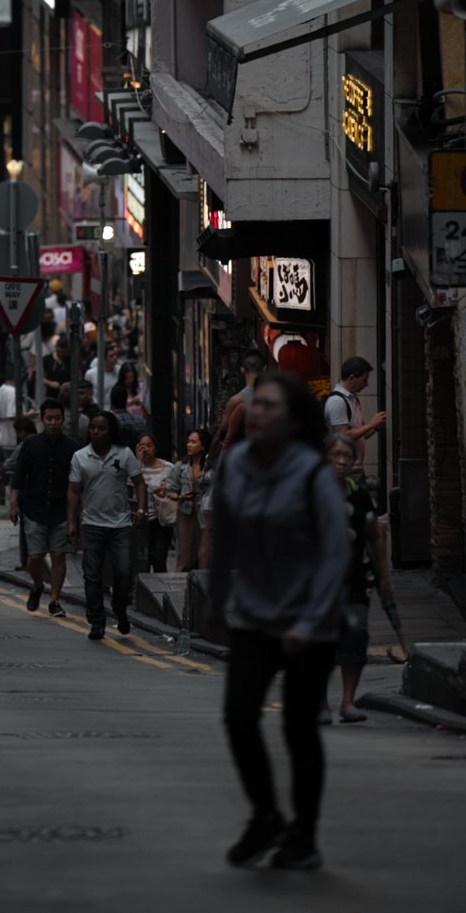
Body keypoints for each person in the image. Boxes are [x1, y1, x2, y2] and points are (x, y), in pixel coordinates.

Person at [210, 371, 350, 873]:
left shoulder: (312, 474)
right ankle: (266, 815)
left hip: (309, 619)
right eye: (255, 405)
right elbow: (223, 535)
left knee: (298, 729)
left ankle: (304, 837)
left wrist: (310, 621)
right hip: (254, 613)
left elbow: (336, 554)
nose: (257, 412)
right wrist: (215, 603)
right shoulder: (238, 464)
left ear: (291, 422)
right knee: (239, 716)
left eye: (270, 406)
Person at [322, 433, 407, 723]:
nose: (344, 461)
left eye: (348, 456)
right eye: (337, 455)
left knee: (356, 636)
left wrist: (385, 577)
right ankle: (321, 705)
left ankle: (347, 702)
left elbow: (376, 538)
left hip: (357, 578)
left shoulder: (359, 496)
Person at [67, 406, 146, 641]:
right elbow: (73, 491)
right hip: (92, 524)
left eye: (101, 428)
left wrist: (141, 508)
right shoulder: (80, 457)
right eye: (93, 428)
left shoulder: (124, 454)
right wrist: (72, 523)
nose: (96, 432)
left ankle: (121, 610)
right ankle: (97, 621)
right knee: (92, 575)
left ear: (111, 431)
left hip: (120, 524)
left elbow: (139, 483)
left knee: (123, 572)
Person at [10, 399, 75, 616]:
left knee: (58, 555)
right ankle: (38, 585)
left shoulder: (72, 448)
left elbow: (76, 485)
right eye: (49, 418)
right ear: (42, 420)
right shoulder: (30, 445)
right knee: (35, 556)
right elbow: (19, 476)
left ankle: (55, 600)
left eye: (57, 418)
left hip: (60, 510)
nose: (53, 423)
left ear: (63, 420)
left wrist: (76, 516)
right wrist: (13, 504)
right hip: (34, 508)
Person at [324, 356, 385, 472]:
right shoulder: (337, 401)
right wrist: (371, 424)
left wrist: (376, 426)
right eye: (364, 380)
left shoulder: (353, 400)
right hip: (344, 469)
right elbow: (342, 436)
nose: (366, 384)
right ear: (352, 378)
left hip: (355, 468)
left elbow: (361, 433)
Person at [167, 428, 213, 572]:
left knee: (204, 553)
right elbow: (171, 490)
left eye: (193, 442)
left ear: (203, 445)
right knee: (185, 554)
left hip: (205, 512)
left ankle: (202, 585)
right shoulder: (181, 466)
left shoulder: (211, 466)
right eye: (188, 442)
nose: (189, 445)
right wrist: (180, 497)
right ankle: (182, 584)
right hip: (186, 512)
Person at [213, 349, 266, 455]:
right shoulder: (276, 399)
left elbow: (220, 434)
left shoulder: (236, 401)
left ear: (242, 370)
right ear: (264, 369)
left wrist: (209, 462)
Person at [136, 433, 177, 572]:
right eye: (142, 446)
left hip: (162, 519)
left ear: (155, 448)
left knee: (159, 558)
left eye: (149, 445)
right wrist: (138, 462)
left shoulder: (168, 467)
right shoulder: (135, 467)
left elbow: (177, 488)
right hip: (142, 518)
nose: (146, 449)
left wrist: (167, 488)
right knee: (142, 560)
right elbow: (130, 487)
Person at [85, 339, 120, 404]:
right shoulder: (91, 374)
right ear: (103, 359)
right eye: (111, 356)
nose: (115, 358)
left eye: (115, 355)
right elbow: (87, 393)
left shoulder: (119, 371)